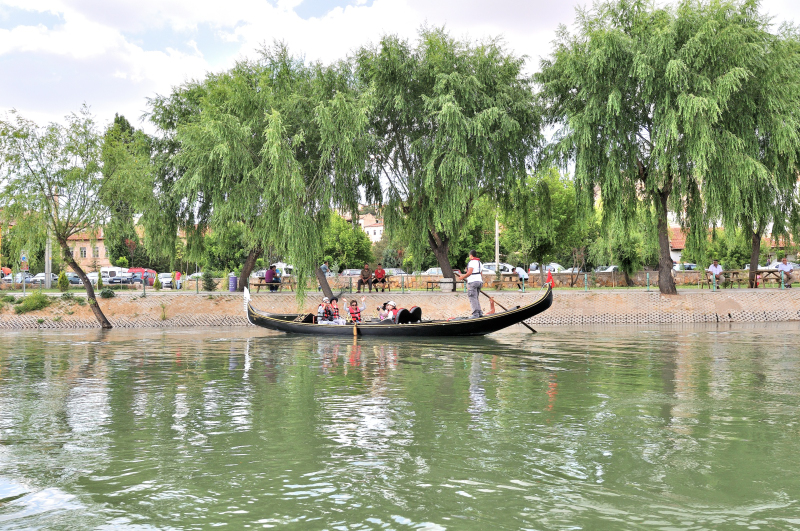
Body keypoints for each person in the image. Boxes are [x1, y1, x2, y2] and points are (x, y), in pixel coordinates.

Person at [457, 250, 483, 318]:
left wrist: (462, 277)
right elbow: (481, 273)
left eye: (469, 255)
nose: (469, 257)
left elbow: (469, 272)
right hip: (479, 281)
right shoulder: (479, 263)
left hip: (472, 282)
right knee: (476, 297)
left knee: (472, 297)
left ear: (471, 255)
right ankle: (479, 312)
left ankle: (475, 314)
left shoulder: (472, 262)